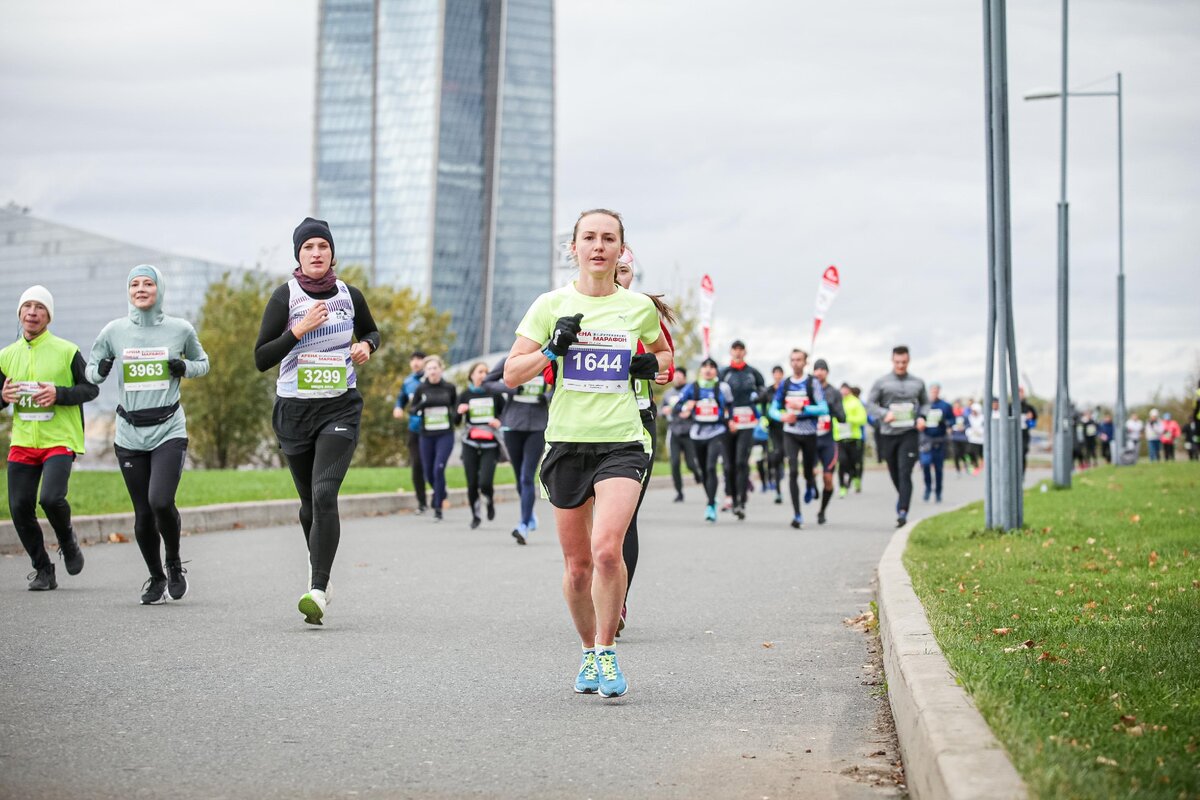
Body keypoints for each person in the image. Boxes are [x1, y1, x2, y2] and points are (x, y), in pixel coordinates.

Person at [503, 208, 670, 698]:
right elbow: (512, 374)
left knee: (606, 549)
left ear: (621, 250)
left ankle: (607, 648)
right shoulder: (549, 304)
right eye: (590, 238)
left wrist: (647, 363)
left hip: (622, 441)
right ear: (573, 248)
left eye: (609, 239)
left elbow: (664, 357)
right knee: (577, 567)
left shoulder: (638, 307)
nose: (599, 246)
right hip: (567, 443)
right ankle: (587, 652)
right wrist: (554, 349)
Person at [254, 217, 380, 625]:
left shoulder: (350, 294)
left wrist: (365, 346)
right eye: (308, 247)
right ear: (299, 255)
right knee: (309, 502)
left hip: (340, 407)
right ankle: (318, 566)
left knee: (325, 493)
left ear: (331, 253)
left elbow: (373, 332)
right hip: (294, 411)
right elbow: (261, 358)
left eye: (322, 247)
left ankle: (318, 590)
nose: (316, 253)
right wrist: (298, 330)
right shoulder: (284, 297)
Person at [88, 266, 210, 604]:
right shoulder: (114, 331)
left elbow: (203, 362)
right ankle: (156, 577)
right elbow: (91, 368)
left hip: (169, 428)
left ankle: (173, 562)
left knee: (160, 501)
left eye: (148, 283)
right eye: (134, 284)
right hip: (129, 433)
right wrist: (99, 370)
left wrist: (184, 367)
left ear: (160, 290)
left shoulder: (179, 329)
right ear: (128, 292)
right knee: (143, 513)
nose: (141, 289)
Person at [1, 286, 97, 591]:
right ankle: (43, 568)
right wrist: (2, 398)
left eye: (39, 307)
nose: (32, 312)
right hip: (24, 441)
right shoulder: (5, 356)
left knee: (51, 498)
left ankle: (67, 539)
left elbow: (90, 389)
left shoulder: (67, 351)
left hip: (59, 438)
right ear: (19, 313)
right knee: (19, 507)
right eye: (27, 306)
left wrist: (59, 394)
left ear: (48, 316)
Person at [614, 250, 675, 636]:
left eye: (625, 270)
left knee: (625, 518)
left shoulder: (642, 311)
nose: (620, 276)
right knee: (589, 521)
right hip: (585, 428)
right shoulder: (574, 307)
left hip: (638, 423)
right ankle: (596, 584)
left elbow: (668, 366)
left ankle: (617, 601)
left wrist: (653, 368)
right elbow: (552, 372)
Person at [484, 356, 550, 545]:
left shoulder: (549, 358)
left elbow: (560, 385)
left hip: (537, 426)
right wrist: (511, 387)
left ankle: (523, 525)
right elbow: (488, 382)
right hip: (513, 424)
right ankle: (529, 516)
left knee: (526, 477)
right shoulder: (510, 360)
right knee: (518, 477)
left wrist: (544, 397)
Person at [867, 345, 928, 528]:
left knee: (905, 471)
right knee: (894, 471)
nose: (901, 365)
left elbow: (925, 403)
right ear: (892, 361)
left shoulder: (917, 382)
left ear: (908, 361)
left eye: (904, 362)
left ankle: (903, 510)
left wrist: (922, 418)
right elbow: (869, 404)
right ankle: (902, 496)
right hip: (888, 433)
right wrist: (884, 413)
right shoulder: (882, 382)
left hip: (908, 432)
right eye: (897, 362)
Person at [768, 348, 826, 529]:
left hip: (809, 433)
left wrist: (802, 408)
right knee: (792, 470)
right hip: (790, 432)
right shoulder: (785, 384)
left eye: (799, 360)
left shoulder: (812, 383)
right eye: (792, 360)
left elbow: (823, 408)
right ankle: (797, 514)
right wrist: (782, 417)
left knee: (808, 471)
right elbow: (772, 409)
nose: (795, 363)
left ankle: (810, 482)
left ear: (805, 362)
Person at [676, 358, 734, 522]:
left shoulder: (722, 387)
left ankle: (710, 505)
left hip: (717, 431)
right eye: (705, 367)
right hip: (697, 432)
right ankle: (711, 496)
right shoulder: (693, 387)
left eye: (712, 367)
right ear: (701, 370)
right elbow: (677, 406)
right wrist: (687, 407)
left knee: (710, 468)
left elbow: (731, 406)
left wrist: (730, 419)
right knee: (702, 469)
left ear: (716, 371)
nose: (708, 370)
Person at [718, 340, 766, 520]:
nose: (738, 353)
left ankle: (740, 500)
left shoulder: (753, 373)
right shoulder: (724, 373)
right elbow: (717, 395)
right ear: (731, 352)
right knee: (728, 464)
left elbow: (763, 391)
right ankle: (730, 494)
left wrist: (758, 397)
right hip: (728, 422)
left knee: (741, 462)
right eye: (735, 350)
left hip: (747, 422)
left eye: (741, 350)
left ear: (745, 352)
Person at [409, 355, 458, 521]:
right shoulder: (421, 389)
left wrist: (455, 415)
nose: (432, 371)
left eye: (435, 368)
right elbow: (413, 410)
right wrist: (422, 405)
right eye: (429, 369)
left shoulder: (449, 387)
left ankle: (438, 507)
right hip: (426, 435)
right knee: (428, 472)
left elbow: (455, 407)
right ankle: (441, 491)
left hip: (445, 434)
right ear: (426, 371)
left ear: (441, 369)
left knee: (439, 468)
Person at [458, 361, 505, 529]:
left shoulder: (494, 394)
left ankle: (489, 500)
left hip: (490, 443)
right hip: (470, 442)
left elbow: (505, 414)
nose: (483, 375)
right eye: (480, 371)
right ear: (471, 375)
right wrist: (460, 411)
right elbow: (456, 421)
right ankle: (475, 515)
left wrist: (498, 421)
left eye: (486, 372)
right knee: (471, 483)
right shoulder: (464, 395)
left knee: (485, 482)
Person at [808, 359, 845, 524]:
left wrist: (830, 407)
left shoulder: (834, 392)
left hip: (827, 440)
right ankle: (812, 486)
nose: (819, 372)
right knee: (810, 472)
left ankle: (822, 510)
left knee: (828, 478)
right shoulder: (808, 389)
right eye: (817, 369)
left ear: (827, 372)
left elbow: (842, 417)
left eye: (823, 369)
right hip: (810, 438)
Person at [393, 350, 428, 514]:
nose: (416, 362)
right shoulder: (408, 382)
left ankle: (439, 493)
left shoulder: (433, 378)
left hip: (434, 429)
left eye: (419, 359)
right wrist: (398, 408)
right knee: (417, 465)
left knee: (433, 465)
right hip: (415, 428)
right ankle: (422, 503)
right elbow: (401, 399)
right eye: (413, 359)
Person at [661, 366, 700, 503]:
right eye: (675, 375)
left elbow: (698, 407)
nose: (677, 378)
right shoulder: (668, 394)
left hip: (688, 431)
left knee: (690, 463)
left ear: (684, 377)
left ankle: (697, 473)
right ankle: (679, 492)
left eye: (679, 375)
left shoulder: (690, 391)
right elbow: (660, 411)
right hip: (674, 432)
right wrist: (664, 412)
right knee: (675, 463)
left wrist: (691, 411)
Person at [919, 382, 954, 503]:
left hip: (939, 440)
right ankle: (928, 487)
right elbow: (917, 419)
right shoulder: (924, 406)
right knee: (926, 464)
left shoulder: (945, 406)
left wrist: (947, 423)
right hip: (926, 440)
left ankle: (938, 492)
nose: (934, 392)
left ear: (939, 391)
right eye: (932, 390)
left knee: (939, 468)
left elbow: (952, 419)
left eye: (936, 390)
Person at [765, 365, 785, 504]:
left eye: (779, 373)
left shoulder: (787, 389)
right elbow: (761, 406)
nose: (777, 376)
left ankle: (811, 484)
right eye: (775, 373)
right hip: (773, 429)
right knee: (776, 458)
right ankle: (778, 490)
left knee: (786, 456)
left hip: (788, 428)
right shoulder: (768, 391)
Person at [1019, 387, 1038, 475]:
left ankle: (1021, 474)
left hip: (1024, 435)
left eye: (1021, 393)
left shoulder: (1029, 407)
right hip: (1012, 435)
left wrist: (1031, 418)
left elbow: (1034, 421)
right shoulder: (1010, 407)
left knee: (1022, 453)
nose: (1020, 394)